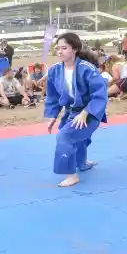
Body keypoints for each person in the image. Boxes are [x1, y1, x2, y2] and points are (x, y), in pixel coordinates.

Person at [44, 33, 108, 188]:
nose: (59, 51)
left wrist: (86, 113)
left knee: (65, 136)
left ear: (75, 49)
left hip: (91, 113)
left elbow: (100, 93)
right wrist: (53, 115)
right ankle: (82, 162)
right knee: (78, 138)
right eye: (57, 48)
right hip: (71, 111)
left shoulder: (87, 69)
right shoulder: (54, 71)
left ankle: (71, 175)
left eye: (64, 48)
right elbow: (52, 96)